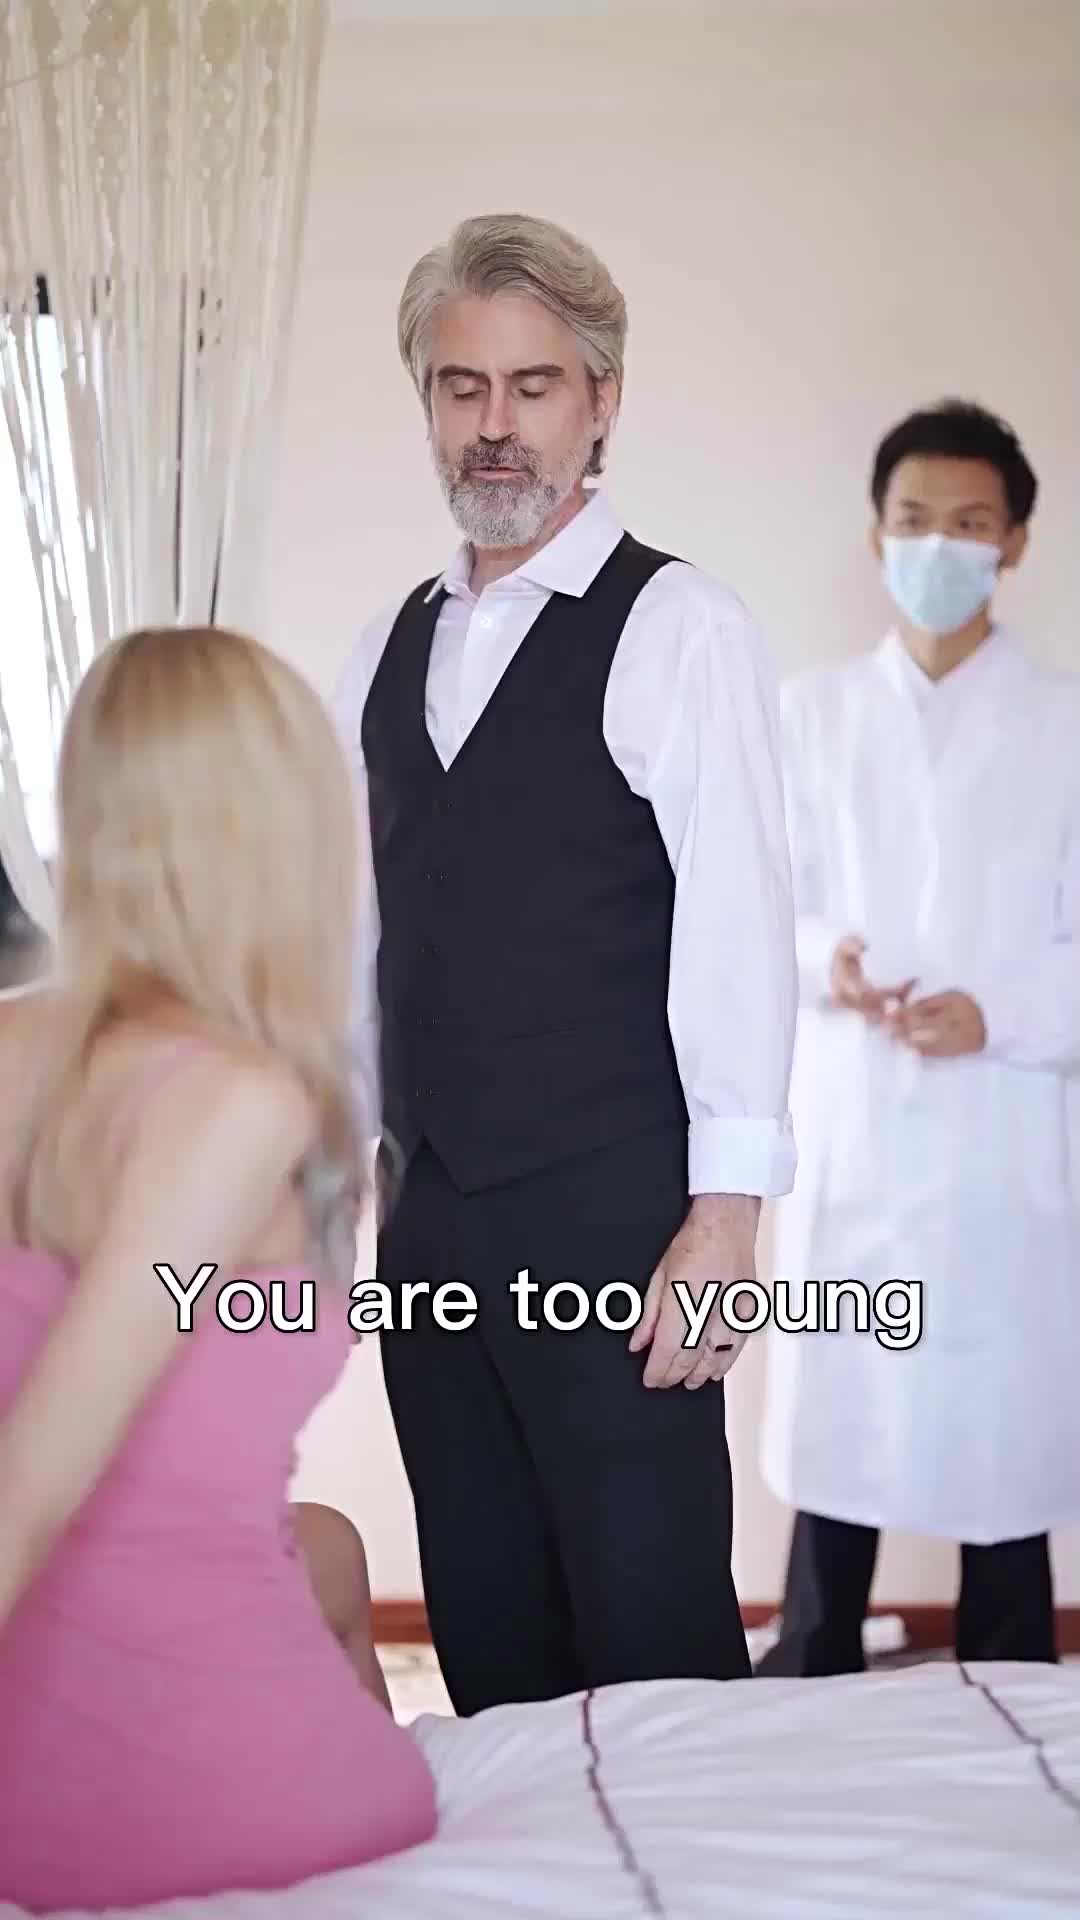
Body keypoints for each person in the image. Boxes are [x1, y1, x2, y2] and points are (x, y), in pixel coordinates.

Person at [333, 212, 798, 1716]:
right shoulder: (383, 647)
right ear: (427, 405)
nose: (495, 422)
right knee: (488, 1629)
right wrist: (339, 1175)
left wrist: (726, 1214)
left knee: (653, 1631)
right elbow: (361, 942)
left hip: (618, 1219)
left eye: (533, 386)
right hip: (428, 1220)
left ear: (601, 400)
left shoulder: (682, 626)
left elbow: (740, 926)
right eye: (461, 386)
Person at [0, 626, 437, 1912]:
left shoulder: (16, 1046)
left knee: (330, 1551)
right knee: (375, 1755)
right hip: (174, 1789)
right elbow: (28, 1490)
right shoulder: (241, 1101)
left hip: (62, 1710)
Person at [757, 399, 1080, 1676]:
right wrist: (824, 961)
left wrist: (1003, 1013)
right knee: (843, 1402)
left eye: (970, 522)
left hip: (1003, 1132)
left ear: (1014, 543)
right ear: (876, 534)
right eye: (914, 520)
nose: (939, 546)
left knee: (999, 1427)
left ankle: (1011, 1673)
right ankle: (815, 1654)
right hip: (854, 1126)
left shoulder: (1065, 725)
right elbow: (757, 911)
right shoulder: (810, 714)